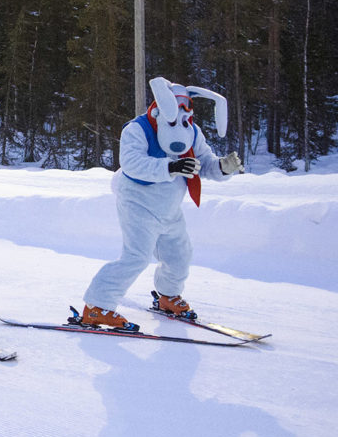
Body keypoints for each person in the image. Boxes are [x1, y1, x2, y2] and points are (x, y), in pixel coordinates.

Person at [79, 77, 244, 331]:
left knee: (180, 254)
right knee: (136, 256)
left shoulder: (191, 130)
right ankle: (96, 307)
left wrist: (223, 167)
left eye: (185, 112)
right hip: (138, 202)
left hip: (169, 206)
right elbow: (132, 163)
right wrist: (171, 166)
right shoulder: (138, 129)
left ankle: (167, 296)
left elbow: (203, 163)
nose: (180, 117)